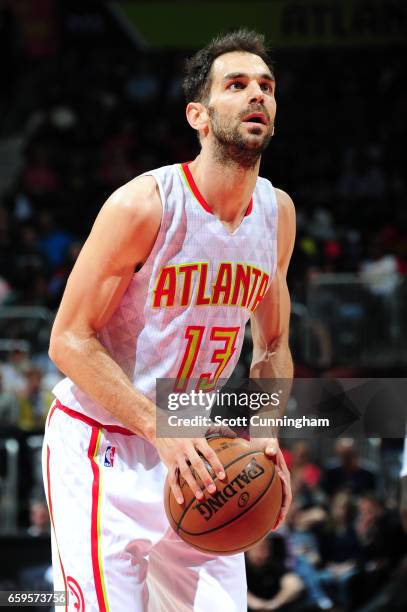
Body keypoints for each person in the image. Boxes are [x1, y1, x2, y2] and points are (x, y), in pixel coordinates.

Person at [42, 29, 294, 611]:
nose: (257, 94)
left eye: (267, 86)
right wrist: (160, 426)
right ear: (198, 116)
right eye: (237, 85)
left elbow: (273, 346)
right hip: (103, 445)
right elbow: (67, 339)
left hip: (201, 457)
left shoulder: (276, 214)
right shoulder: (145, 204)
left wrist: (264, 428)